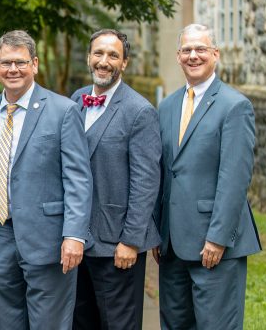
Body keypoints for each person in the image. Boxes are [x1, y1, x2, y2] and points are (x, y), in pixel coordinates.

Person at [0, 30, 93, 329]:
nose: (12, 69)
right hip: (0, 234)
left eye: (20, 62)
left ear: (35, 64)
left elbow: (78, 178)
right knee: (10, 322)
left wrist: (74, 235)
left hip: (50, 240)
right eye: (6, 63)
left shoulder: (63, 110)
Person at [154, 23, 261, 329]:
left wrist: (217, 237)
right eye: (187, 49)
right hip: (172, 245)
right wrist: (157, 232)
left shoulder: (235, 106)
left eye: (201, 49)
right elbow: (164, 172)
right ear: (178, 56)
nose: (193, 56)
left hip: (213, 246)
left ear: (215, 54)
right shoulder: (168, 106)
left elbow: (235, 179)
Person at [69, 29, 161, 329]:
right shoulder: (75, 102)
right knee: (82, 323)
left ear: (124, 63)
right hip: (77, 242)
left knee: (118, 324)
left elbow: (146, 182)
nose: (104, 61)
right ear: (88, 57)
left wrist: (131, 241)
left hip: (116, 245)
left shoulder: (139, 111)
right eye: (98, 53)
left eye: (113, 55)